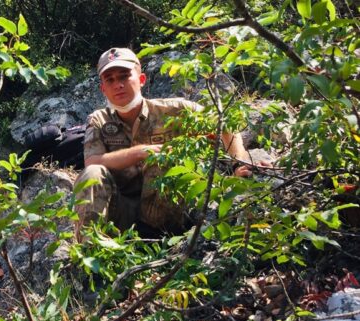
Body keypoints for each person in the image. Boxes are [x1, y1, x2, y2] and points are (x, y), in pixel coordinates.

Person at [74, 47, 268, 237]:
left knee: (164, 158)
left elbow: (223, 125)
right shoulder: (99, 120)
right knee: (91, 174)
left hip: (167, 216)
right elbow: (92, 162)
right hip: (122, 210)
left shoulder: (175, 110)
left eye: (124, 76)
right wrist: (141, 152)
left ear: (141, 80)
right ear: (103, 89)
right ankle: (89, 251)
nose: (118, 84)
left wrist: (238, 164)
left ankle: (156, 237)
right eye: (110, 79)